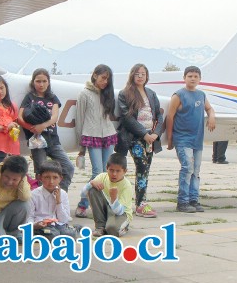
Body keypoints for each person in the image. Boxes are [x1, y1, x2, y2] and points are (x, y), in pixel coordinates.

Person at [166, 66, 216, 213]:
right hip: (182, 138)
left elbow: (209, 108)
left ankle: (194, 200)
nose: (193, 78)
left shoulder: (201, 95)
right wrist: (170, 138)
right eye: (190, 76)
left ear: (200, 79)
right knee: (187, 167)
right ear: (184, 78)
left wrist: (211, 116)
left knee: (196, 170)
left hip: (197, 139)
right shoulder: (178, 95)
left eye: (196, 76)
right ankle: (182, 201)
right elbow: (170, 117)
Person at [117, 64, 163, 218]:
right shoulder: (125, 94)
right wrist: (144, 134)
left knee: (146, 169)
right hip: (134, 138)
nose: (140, 76)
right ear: (132, 75)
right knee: (142, 166)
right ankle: (140, 204)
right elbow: (127, 118)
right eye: (137, 74)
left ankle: (141, 201)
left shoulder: (151, 93)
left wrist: (155, 133)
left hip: (151, 138)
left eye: (143, 74)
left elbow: (159, 116)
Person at [18, 68, 75, 191]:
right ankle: (41, 202)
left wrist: (42, 126)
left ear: (48, 82)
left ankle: (59, 194)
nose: (41, 84)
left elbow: (55, 117)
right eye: (38, 81)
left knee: (68, 167)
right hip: (36, 140)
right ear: (33, 82)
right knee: (41, 173)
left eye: (44, 81)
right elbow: (19, 117)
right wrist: (31, 128)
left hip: (52, 139)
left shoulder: (53, 98)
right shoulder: (29, 97)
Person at [74, 64, 117, 218]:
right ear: (94, 75)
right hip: (91, 136)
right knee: (98, 173)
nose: (105, 82)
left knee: (106, 173)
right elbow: (79, 119)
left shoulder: (107, 93)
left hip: (108, 135)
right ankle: (83, 203)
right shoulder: (84, 94)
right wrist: (81, 145)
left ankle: (102, 205)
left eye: (107, 79)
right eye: (103, 78)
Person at [27, 161, 79, 240]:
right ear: (40, 178)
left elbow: (64, 219)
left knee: (70, 235)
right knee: (52, 235)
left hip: (58, 224)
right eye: (47, 177)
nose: (51, 182)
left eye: (55, 177)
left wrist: (58, 201)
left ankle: (74, 229)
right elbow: (29, 216)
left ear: (60, 178)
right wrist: (34, 225)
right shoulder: (34, 194)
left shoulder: (63, 194)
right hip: (41, 224)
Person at [87, 153, 133, 237]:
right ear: (106, 168)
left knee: (112, 230)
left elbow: (119, 211)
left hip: (121, 213)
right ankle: (100, 227)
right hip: (108, 209)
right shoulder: (102, 177)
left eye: (118, 171)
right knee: (92, 190)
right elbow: (83, 194)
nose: (114, 174)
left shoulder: (127, 185)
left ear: (125, 171)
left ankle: (124, 226)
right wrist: (91, 183)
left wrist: (114, 199)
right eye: (111, 170)